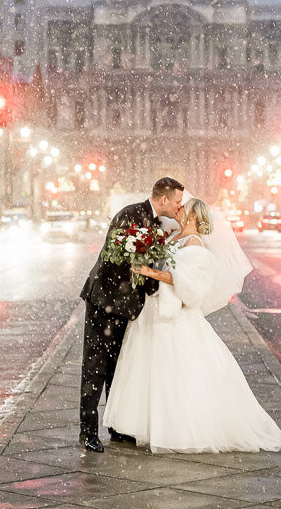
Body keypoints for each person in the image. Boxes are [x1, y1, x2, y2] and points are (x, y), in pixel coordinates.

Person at [103, 198, 281, 453]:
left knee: (177, 373)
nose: (178, 211)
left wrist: (149, 271)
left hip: (176, 318)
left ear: (192, 216)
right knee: (154, 370)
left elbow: (188, 286)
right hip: (157, 310)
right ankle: (151, 425)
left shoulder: (195, 244)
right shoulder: (176, 238)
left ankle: (178, 430)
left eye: (182, 209)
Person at [79, 176, 185, 452]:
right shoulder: (130, 215)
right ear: (163, 199)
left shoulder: (157, 224)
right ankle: (88, 431)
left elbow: (147, 265)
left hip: (124, 306)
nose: (178, 206)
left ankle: (116, 426)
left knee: (117, 366)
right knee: (95, 367)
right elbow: (114, 260)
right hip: (104, 302)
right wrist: (145, 273)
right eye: (176, 201)